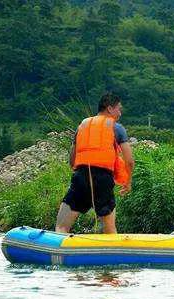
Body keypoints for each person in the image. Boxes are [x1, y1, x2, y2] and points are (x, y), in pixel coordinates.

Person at [55, 93, 134, 234]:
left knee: (62, 227)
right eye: (118, 109)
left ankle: (58, 253)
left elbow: (72, 160)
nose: (120, 113)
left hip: (80, 177)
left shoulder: (82, 126)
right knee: (109, 230)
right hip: (103, 179)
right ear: (110, 108)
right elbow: (129, 161)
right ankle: (112, 254)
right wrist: (128, 182)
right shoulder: (117, 128)